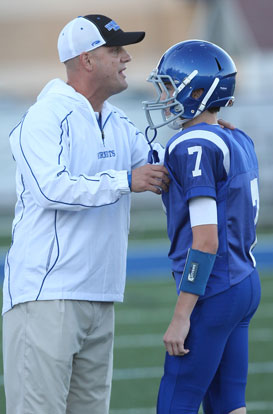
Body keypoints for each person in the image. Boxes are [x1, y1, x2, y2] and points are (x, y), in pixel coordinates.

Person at [2, 14, 170, 414]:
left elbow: (160, 167)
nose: (127, 57)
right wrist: (124, 181)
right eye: (116, 50)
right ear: (87, 60)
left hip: (100, 294)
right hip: (46, 297)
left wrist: (209, 134)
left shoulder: (115, 119)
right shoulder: (45, 116)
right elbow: (51, 188)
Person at [143, 40, 261, 414]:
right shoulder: (236, 137)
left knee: (175, 402)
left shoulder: (194, 144)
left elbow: (206, 240)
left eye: (169, 86)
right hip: (244, 281)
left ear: (197, 90)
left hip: (214, 288)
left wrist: (182, 316)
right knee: (229, 405)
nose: (164, 96)